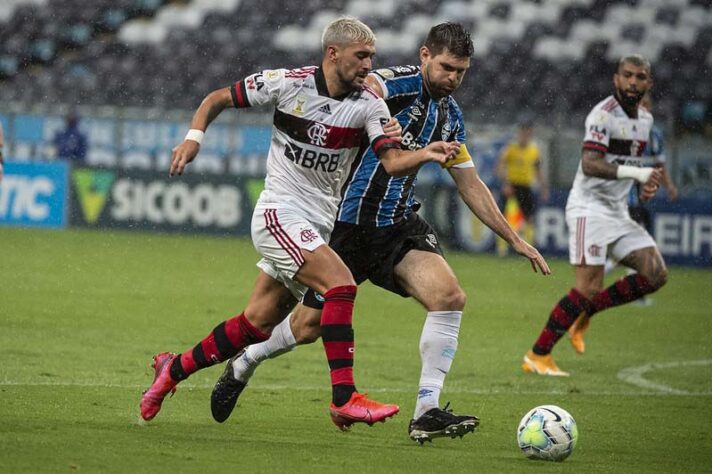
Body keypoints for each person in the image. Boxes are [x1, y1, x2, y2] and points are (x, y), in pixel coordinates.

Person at [209, 23, 551, 443]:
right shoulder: (394, 84)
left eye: (461, 71)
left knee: (449, 297)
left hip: (396, 225)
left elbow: (469, 182)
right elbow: (365, 86)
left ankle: (426, 411)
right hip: (346, 224)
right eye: (446, 67)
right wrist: (379, 113)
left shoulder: (451, 116)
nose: (453, 78)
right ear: (425, 56)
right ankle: (245, 362)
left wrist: (513, 238)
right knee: (303, 326)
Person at [140, 17, 461, 428]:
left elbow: (392, 161)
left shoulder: (369, 105)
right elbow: (217, 97)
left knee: (256, 324)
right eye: (361, 56)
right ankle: (344, 397)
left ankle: (173, 368)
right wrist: (193, 138)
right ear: (333, 53)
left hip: (319, 224)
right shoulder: (287, 83)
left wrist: (425, 152)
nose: (369, 65)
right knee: (341, 284)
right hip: (278, 212)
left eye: (372, 57)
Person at [522, 55, 667, 376]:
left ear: (649, 83)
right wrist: (638, 174)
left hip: (617, 211)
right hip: (590, 208)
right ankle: (538, 354)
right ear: (616, 79)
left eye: (640, 77)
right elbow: (591, 163)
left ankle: (587, 313)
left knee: (655, 274)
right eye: (627, 75)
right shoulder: (603, 115)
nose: (632, 82)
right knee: (587, 286)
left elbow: (624, 163)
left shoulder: (645, 120)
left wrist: (642, 185)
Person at [601, 92, 678, 309]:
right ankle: (636, 292)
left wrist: (669, 186)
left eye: (646, 105)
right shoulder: (621, 132)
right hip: (624, 198)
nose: (643, 109)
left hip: (643, 199)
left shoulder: (655, 136)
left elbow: (660, 166)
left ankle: (600, 274)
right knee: (637, 244)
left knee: (629, 247)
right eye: (640, 105)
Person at [496, 121, 548, 254]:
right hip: (512, 186)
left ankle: (530, 248)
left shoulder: (534, 151)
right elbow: (500, 167)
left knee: (529, 218)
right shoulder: (510, 148)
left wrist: (543, 188)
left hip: (526, 187)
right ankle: (502, 250)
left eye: (527, 133)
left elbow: (538, 171)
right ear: (519, 133)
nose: (524, 135)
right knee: (504, 218)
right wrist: (506, 183)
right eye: (523, 132)